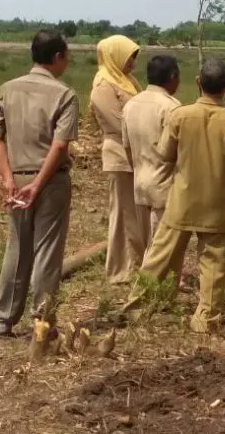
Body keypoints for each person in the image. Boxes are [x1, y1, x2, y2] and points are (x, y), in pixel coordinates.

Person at [126, 58, 225, 333]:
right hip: (216, 203)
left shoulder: (179, 116)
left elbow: (164, 155)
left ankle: (136, 308)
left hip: (181, 200)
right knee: (213, 261)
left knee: (160, 254)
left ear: (198, 82)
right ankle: (206, 319)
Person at [0, 31, 79, 336]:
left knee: (17, 247)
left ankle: (3, 319)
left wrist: (8, 179)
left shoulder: (6, 90)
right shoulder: (64, 94)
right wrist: (38, 184)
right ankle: (42, 321)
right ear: (57, 58)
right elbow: (60, 145)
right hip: (50, 181)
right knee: (47, 252)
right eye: (66, 56)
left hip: (16, 178)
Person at [90, 35, 143, 285]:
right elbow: (117, 121)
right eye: (129, 56)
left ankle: (137, 264)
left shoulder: (126, 81)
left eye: (133, 56)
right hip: (119, 153)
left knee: (134, 211)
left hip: (135, 152)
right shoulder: (103, 85)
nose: (132, 61)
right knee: (123, 212)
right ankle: (122, 270)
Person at [121, 55, 181, 264]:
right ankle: (156, 288)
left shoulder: (131, 104)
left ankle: (152, 282)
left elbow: (127, 147)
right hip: (164, 184)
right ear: (173, 77)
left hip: (140, 181)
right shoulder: (171, 107)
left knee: (149, 239)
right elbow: (178, 150)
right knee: (162, 244)